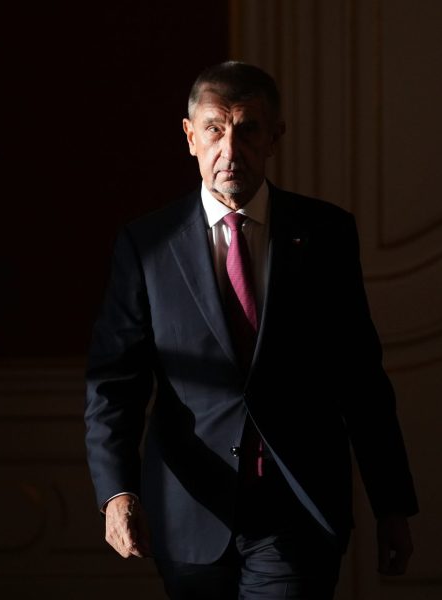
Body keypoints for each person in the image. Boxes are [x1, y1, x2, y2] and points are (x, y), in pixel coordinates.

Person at [84, 61, 418, 599]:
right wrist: (116, 492)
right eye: (215, 129)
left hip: (297, 510)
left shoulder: (326, 234)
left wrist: (392, 505)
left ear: (275, 138)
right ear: (190, 136)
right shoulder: (146, 244)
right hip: (190, 510)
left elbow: (360, 378)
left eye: (248, 129)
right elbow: (114, 383)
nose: (230, 150)